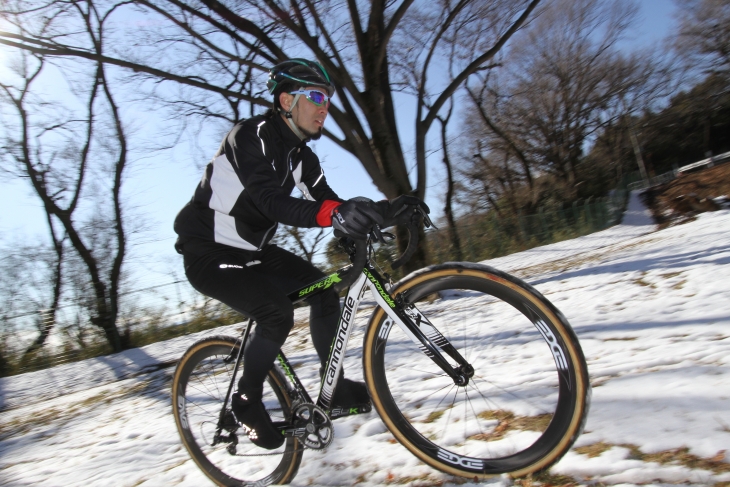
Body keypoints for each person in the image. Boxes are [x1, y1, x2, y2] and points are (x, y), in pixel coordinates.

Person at [173, 59, 427, 450]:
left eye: (326, 99)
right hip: (207, 252)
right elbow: (270, 201)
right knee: (276, 313)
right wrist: (332, 213)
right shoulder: (250, 135)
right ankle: (246, 399)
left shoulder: (303, 157)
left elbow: (331, 204)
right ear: (286, 100)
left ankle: (335, 386)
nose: (324, 107)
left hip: (253, 251)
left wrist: (389, 209)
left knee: (323, 293)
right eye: (315, 97)